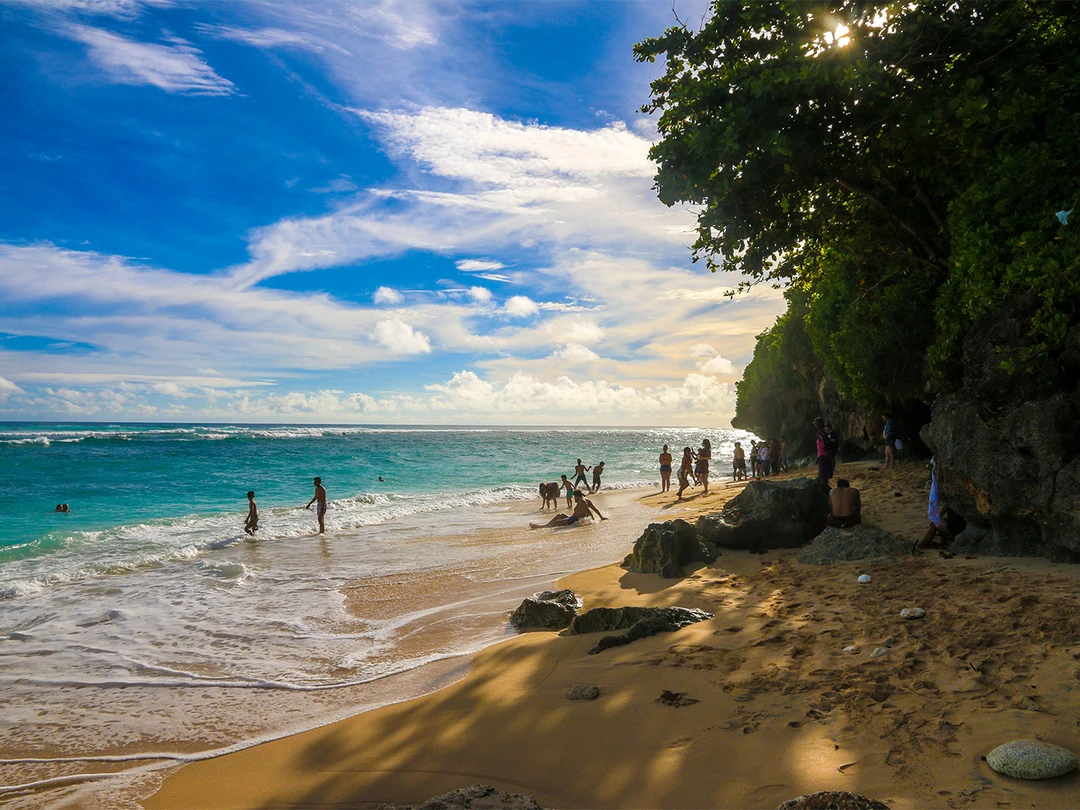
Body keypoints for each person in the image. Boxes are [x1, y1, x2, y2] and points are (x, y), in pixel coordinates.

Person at [914, 457, 967, 552]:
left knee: (935, 524)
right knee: (942, 520)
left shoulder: (952, 498)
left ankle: (921, 545)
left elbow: (943, 509)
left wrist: (935, 517)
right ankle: (944, 542)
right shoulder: (962, 496)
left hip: (956, 527)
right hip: (963, 523)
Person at [529, 490, 607, 529]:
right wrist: (601, 517)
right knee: (560, 515)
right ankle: (545, 525)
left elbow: (588, 510)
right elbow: (595, 509)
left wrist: (592, 521)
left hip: (574, 520)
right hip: (572, 518)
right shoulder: (586, 499)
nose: (574, 499)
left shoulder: (582, 501)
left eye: (574, 497)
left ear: (577, 496)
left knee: (557, 522)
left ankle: (542, 527)